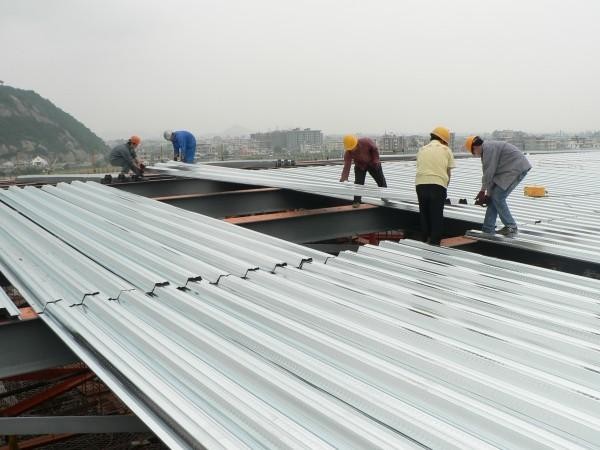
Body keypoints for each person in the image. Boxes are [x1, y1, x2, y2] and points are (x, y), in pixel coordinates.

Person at [464, 135, 532, 236]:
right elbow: (491, 176)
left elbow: (489, 173)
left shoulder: (488, 150)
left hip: (516, 168)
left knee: (498, 197)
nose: (475, 155)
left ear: (475, 147)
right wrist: (488, 195)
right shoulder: (487, 149)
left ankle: (511, 226)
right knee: (494, 198)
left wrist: (482, 191)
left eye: (473, 153)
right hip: (509, 169)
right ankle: (488, 228)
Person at [415, 126, 456, 246]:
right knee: (436, 214)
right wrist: (444, 187)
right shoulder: (446, 150)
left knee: (424, 213)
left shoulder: (422, 149)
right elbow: (448, 173)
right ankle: (434, 242)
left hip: (420, 184)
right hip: (438, 185)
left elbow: (420, 167)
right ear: (443, 140)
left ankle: (424, 238)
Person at [339, 134, 387, 207]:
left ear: (356, 143)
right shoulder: (348, 152)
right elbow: (347, 165)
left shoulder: (366, 142)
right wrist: (344, 177)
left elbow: (374, 149)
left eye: (353, 147)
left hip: (373, 163)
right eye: (351, 148)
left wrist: (376, 160)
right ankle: (357, 201)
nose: (352, 149)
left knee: (381, 181)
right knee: (358, 184)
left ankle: (385, 197)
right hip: (360, 166)